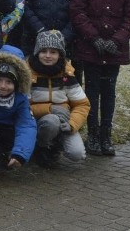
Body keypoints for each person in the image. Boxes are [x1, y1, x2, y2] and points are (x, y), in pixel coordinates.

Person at [69, 0, 130, 156]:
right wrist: (95, 38)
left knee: (109, 91)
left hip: (114, 48)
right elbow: (78, 13)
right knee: (91, 91)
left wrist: (117, 40)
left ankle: (106, 135)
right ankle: (93, 136)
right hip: (91, 47)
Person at [28, 30, 89, 168]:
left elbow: (82, 104)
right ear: (37, 52)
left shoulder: (67, 73)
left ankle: (56, 144)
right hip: (36, 121)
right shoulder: (27, 73)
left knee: (77, 154)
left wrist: (72, 124)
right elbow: (21, 106)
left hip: (64, 120)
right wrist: (49, 109)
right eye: (44, 51)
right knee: (51, 121)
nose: (48, 56)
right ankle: (41, 146)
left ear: (60, 54)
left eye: (53, 52)